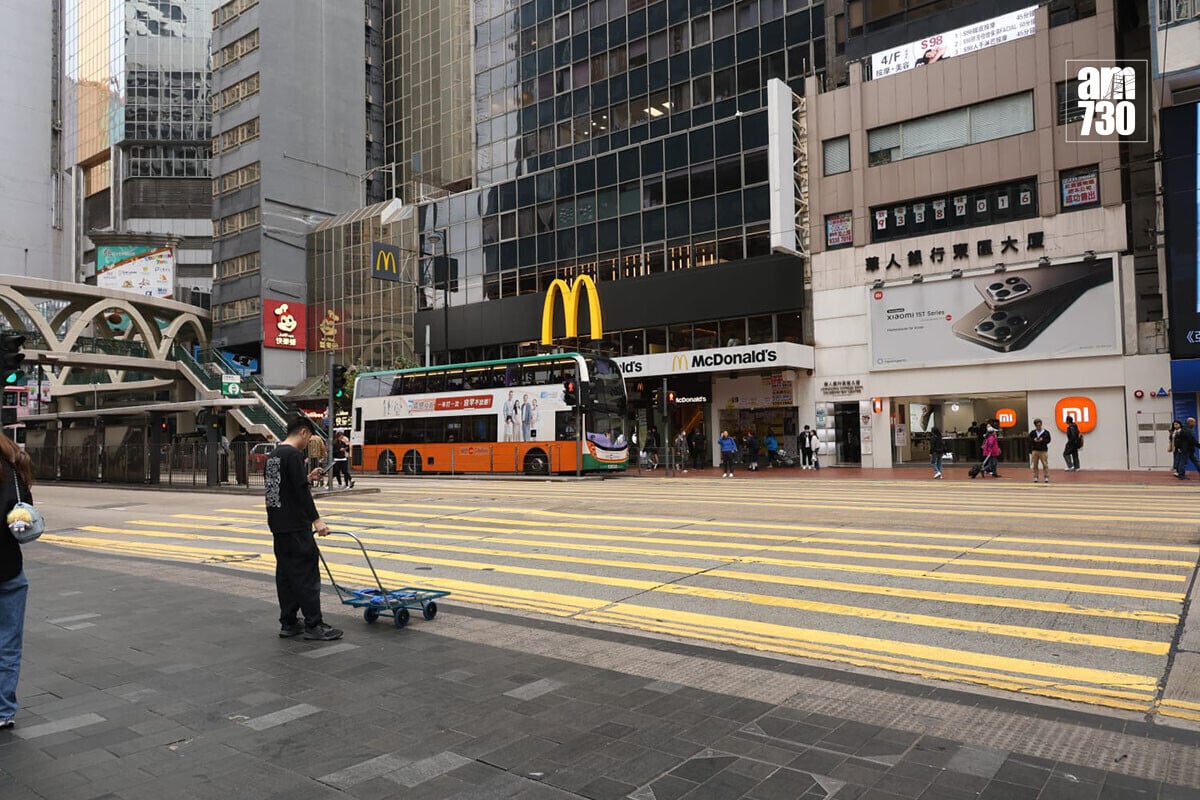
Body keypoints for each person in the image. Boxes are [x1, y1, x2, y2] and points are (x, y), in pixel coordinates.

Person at [266, 417, 342, 641]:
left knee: (286, 574)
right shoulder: (293, 455)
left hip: (278, 525)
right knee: (307, 574)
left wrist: (307, 477)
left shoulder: (274, 456)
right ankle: (314, 624)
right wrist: (317, 520)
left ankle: (289, 622)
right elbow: (301, 493)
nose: (308, 442)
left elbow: (282, 487)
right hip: (296, 525)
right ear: (303, 432)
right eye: (309, 437)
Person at [0, 435, 34, 729]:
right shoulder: (12, 471)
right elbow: (26, 516)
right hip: (8, 569)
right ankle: (3, 710)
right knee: (8, 644)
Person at [1029, 419, 1051, 483]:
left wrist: (1042, 440)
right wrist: (1034, 440)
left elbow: (1048, 440)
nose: (1038, 426)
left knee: (1045, 464)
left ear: (1041, 424)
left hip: (1043, 450)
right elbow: (1029, 440)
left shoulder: (1046, 432)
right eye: (1037, 425)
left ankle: (1046, 476)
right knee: (1035, 465)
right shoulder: (1033, 432)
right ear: (1035, 426)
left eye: (1039, 425)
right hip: (1035, 450)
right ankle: (1035, 476)